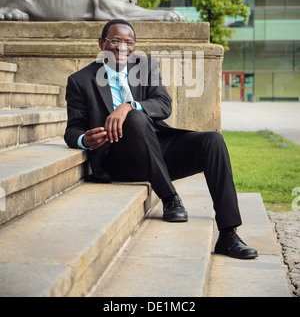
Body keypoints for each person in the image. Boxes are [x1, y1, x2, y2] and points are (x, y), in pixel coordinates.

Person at [64, 19, 258, 260]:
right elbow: (72, 130)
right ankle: (170, 198)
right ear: (102, 43)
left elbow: (163, 104)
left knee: (212, 141)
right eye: (115, 41)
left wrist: (128, 106)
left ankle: (229, 235)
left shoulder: (144, 67)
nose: (122, 47)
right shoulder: (80, 81)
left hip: (157, 147)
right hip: (119, 159)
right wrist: (85, 139)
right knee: (134, 120)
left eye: (129, 43)